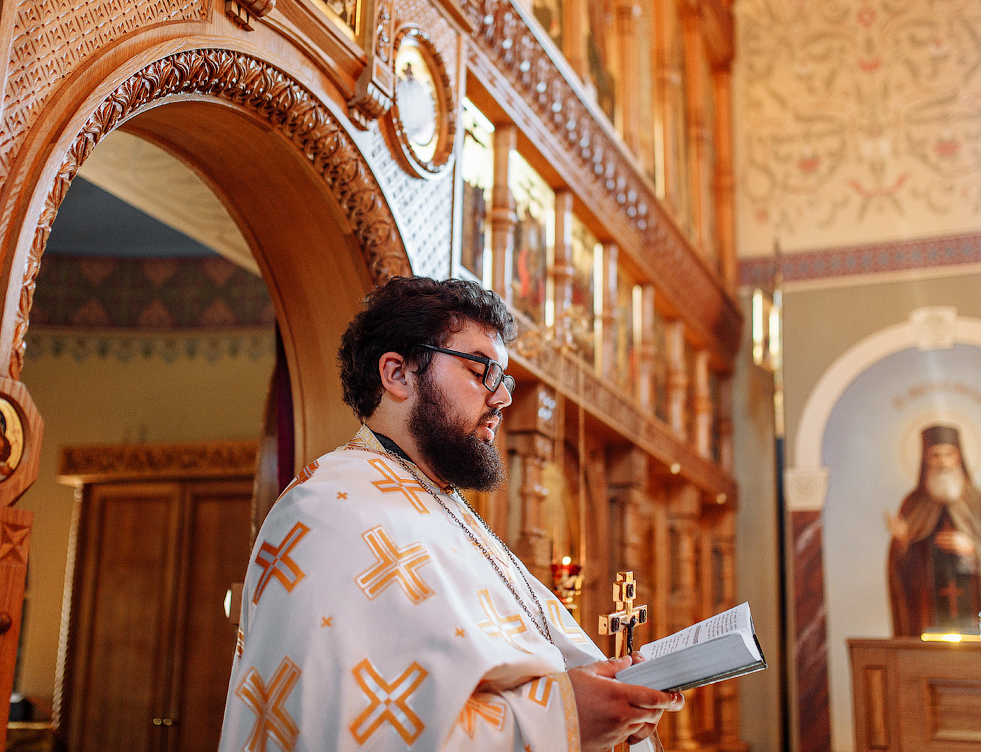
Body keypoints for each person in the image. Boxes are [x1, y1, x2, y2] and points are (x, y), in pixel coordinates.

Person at [219, 277, 683, 752]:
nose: (501, 399)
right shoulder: (328, 511)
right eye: (482, 370)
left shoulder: (443, 506)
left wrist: (606, 691)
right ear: (398, 374)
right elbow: (346, 728)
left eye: (504, 379)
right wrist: (567, 720)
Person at [886, 424, 981, 635]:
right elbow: (902, 574)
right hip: (927, 614)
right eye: (935, 455)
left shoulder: (980, 503)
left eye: (948, 454)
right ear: (926, 460)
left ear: (958, 458)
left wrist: (973, 550)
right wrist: (903, 543)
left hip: (975, 608)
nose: (942, 462)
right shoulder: (913, 504)